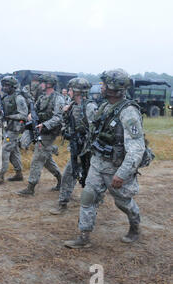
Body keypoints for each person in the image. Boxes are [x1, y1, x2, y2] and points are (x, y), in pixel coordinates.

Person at [64, 69, 147, 249]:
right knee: (88, 197)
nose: (100, 87)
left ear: (113, 88)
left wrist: (122, 174)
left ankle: (135, 226)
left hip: (115, 168)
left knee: (123, 202)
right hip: (97, 163)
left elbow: (136, 149)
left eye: (103, 84)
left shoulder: (129, 112)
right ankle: (84, 236)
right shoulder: (104, 106)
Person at [51, 78, 98, 215]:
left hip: (88, 151)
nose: (68, 92)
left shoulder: (90, 107)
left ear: (77, 91)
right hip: (75, 148)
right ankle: (63, 203)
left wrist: (86, 148)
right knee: (68, 175)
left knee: (91, 179)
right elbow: (66, 126)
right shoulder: (71, 105)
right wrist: (65, 112)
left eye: (71, 90)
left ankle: (93, 204)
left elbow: (95, 130)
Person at [17, 74, 64, 196]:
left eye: (42, 82)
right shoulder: (42, 97)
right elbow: (35, 110)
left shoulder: (58, 98)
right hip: (40, 130)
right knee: (46, 159)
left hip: (49, 132)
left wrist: (45, 124)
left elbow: (58, 117)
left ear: (49, 84)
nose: (40, 84)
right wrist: (30, 115)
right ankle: (61, 180)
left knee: (37, 159)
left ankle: (30, 187)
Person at [0, 76, 28, 186]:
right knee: (14, 151)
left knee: (5, 149)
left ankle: (0, 175)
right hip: (9, 127)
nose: (4, 88)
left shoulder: (19, 98)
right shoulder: (6, 97)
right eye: (3, 85)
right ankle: (19, 173)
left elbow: (23, 115)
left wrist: (9, 116)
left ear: (13, 86)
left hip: (15, 128)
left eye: (7, 86)